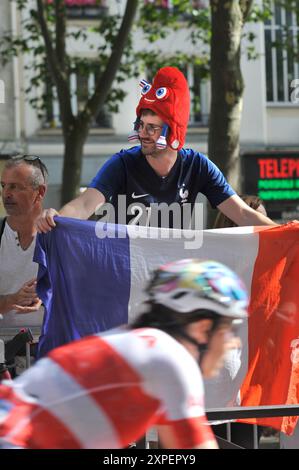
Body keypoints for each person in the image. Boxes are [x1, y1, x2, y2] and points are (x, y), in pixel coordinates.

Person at [0, 259, 248, 449]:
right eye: (229, 328)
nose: (233, 342)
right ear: (203, 327)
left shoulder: (143, 344)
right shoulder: (172, 357)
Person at [36, 66, 276, 233]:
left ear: (173, 132)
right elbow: (85, 204)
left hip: (171, 273)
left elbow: (243, 214)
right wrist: (57, 217)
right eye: (141, 125)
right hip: (127, 270)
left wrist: (286, 232)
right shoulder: (122, 164)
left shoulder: (198, 166)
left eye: (152, 128)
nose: (142, 134)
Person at [0, 155, 48, 367]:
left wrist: (47, 294)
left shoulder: (59, 239)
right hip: (3, 359)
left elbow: (80, 296)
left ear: (40, 192)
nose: (6, 194)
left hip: (48, 356)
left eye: (16, 187)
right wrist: (12, 300)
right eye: (3, 185)